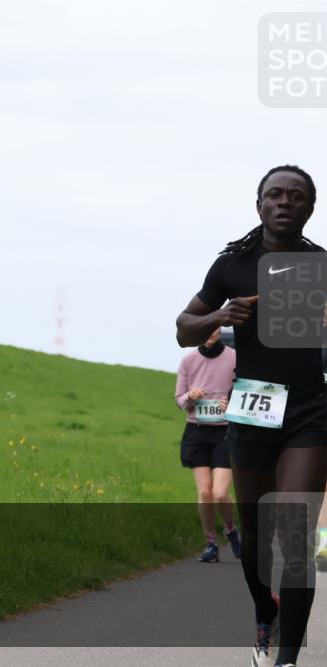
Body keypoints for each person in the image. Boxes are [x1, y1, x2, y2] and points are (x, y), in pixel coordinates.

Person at [175, 165, 326, 667]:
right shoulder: (232, 265)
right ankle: (266, 610)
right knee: (258, 536)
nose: (285, 202)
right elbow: (183, 328)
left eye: (296, 196)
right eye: (274, 194)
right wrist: (219, 316)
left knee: (296, 535)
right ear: (258, 205)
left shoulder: (321, 265)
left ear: (310, 208)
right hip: (254, 408)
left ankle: (287, 660)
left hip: (308, 410)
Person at [175, 326, 241, 562]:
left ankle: (231, 529)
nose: (211, 332)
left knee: (220, 493)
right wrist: (190, 397)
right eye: (206, 328)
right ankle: (211, 544)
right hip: (197, 432)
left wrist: (232, 403)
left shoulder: (235, 357)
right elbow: (179, 400)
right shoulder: (188, 360)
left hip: (226, 432)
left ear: (220, 328)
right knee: (204, 492)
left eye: (214, 328)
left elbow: (246, 391)